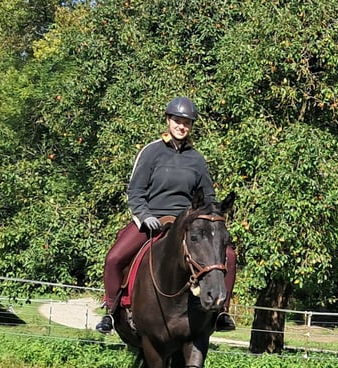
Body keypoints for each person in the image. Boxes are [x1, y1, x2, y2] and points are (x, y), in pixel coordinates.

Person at [96, 96, 236, 334]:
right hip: (151, 220)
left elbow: (209, 197)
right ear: (168, 121)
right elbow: (135, 191)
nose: (182, 126)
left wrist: (209, 219)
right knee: (114, 259)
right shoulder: (151, 152)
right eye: (177, 121)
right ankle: (111, 310)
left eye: (187, 122)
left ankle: (221, 311)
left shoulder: (197, 159)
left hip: (186, 223)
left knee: (230, 257)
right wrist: (144, 215)